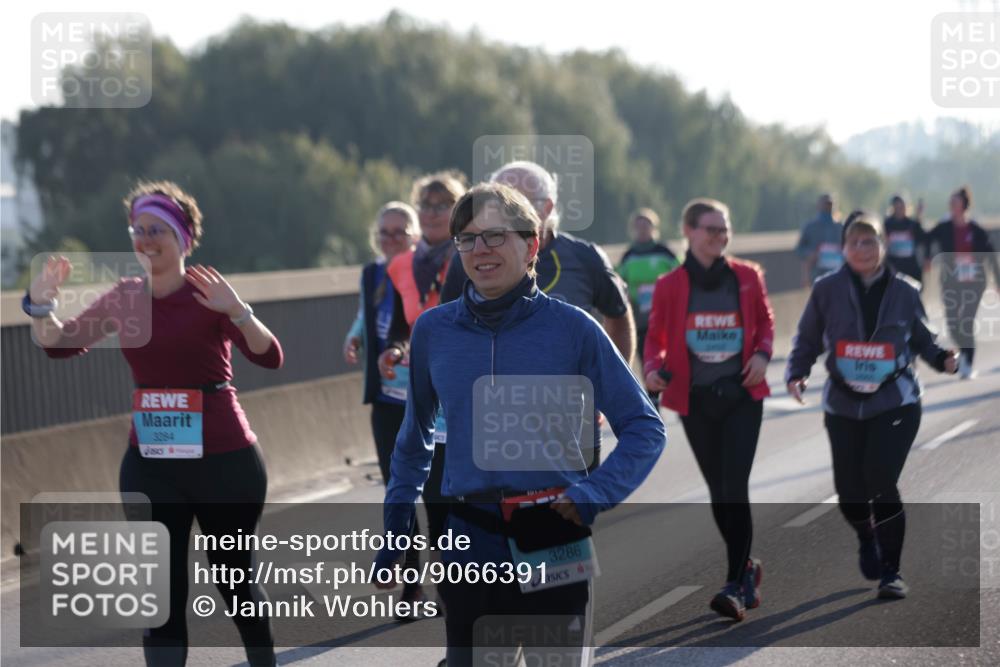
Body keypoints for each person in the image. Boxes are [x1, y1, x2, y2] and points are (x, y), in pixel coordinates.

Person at [375, 183, 665, 666]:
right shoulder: (433, 331)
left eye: (495, 236)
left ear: (530, 244)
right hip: (468, 536)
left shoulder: (574, 328)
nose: (480, 250)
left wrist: (594, 494)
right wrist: (396, 527)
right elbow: (413, 441)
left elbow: (644, 427)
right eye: (467, 239)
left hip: (551, 531)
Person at [25, 181, 283, 666]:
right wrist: (41, 305)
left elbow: (269, 357)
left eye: (157, 229)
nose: (145, 239)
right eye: (137, 229)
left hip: (225, 461)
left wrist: (240, 312)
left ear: (183, 238)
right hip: (152, 463)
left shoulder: (208, 291)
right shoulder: (125, 297)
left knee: (234, 579)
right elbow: (60, 344)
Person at [785, 211, 959, 600]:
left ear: (883, 245)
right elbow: (807, 339)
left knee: (880, 480)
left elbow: (923, 339)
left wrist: (944, 359)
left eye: (870, 241)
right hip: (843, 404)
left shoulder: (905, 290)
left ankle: (892, 572)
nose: (862, 249)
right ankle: (867, 535)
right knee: (849, 492)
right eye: (854, 242)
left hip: (895, 402)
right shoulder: (825, 289)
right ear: (843, 248)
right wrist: (797, 373)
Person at [439, 160, 635, 469]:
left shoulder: (585, 258)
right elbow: (446, 331)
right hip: (493, 425)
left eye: (520, 200)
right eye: (498, 199)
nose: (508, 208)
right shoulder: (469, 257)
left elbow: (619, 316)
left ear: (548, 207)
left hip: (570, 426)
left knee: (564, 515)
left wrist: (606, 391)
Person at [643, 198, 774, 621]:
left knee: (734, 488)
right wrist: (651, 369)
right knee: (719, 493)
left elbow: (766, 322)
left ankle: (735, 584)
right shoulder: (670, 285)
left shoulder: (747, 277)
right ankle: (748, 568)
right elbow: (656, 337)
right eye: (711, 229)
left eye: (725, 229)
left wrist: (763, 355)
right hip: (695, 400)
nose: (720, 236)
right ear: (689, 231)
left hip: (741, 396)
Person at [376, 171, 468, 597]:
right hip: (423, 389)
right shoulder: (400, 265)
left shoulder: (472, 254)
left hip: (466, 388)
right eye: (426, 205)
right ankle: (444, 607)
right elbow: (399, 326)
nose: (433, 213)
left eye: (442, 204)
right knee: (432, 500)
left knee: (464, 502)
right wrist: (394, 350)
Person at [342, 201, 422, 616]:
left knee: (442, 497)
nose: (391, 239)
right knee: (398, 491)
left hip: (427, 397)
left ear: (414, 235)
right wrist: (355, 337)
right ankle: (412, 587)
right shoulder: (372, 273)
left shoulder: (426, 269)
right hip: (387, 396)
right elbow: (366, 314)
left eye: (399, 231)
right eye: (384, 232)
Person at [924, 186, 1000, 380]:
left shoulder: (976, 230)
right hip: (952, 283)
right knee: (952, 323)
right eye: (950, 202)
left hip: (974, 283)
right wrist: (927, 258)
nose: (951, 205)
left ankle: (967, 362)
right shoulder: (944, 227)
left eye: (955, 202)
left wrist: (998, 281)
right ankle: (964, 351)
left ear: (964, 205)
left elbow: (990, 256)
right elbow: (927, 238)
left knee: (966, 321)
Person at [617, 207, 680, 363]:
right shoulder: (628, 256)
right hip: (640, 317)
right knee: (646, 359)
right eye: (638, 227)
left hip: (667, 314)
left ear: (654, 228)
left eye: (646, 226)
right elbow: (619, 283)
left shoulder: (665, 252)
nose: (642, 230)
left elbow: (680, 276)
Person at [796, 193, 844, 287]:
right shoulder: (810, 227)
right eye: (825, 203)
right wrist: (809, 254)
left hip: (839, 275)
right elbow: (799, 249)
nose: (828, 206)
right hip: (817, 274)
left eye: (830, 204)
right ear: (818, 205)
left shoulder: (841, 227)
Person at [883, 195, 927, 284]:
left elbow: (923, 238)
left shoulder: (912, 224)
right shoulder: (887, 224)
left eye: (901, 206)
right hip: (893, 264)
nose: (899, 209)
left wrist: (919, 216)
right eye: (896, 206)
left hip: (910, 264)